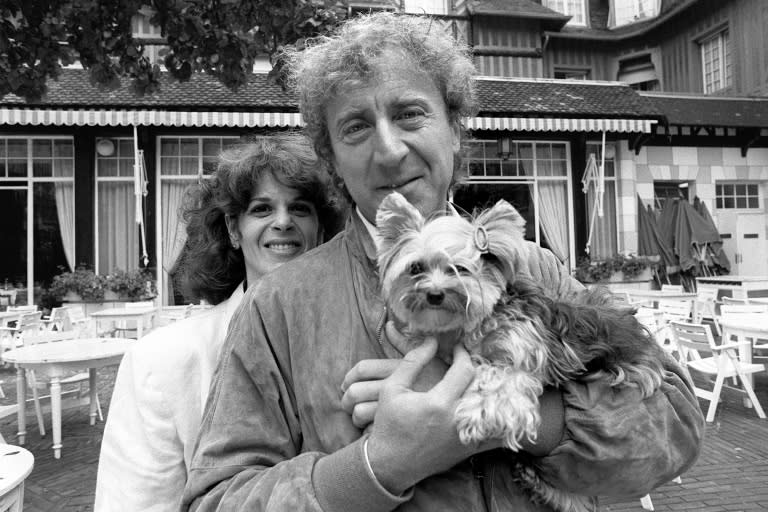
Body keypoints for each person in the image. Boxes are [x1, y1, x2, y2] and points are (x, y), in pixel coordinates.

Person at [182, 12, 704, 512]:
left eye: (410, 113)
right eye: (356, 127)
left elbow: (675, 430)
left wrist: (512, 420)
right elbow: (217, 498)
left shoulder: (535, 267)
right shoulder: (281, 305)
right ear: (332, 161)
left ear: (455, 127)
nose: (388, 150)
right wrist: (378, 465)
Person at [94, 133, 342, 512]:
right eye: (261, 209)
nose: (282, 222)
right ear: (232, 229)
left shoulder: (350, 341)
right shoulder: (159, 363)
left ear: (321, 230)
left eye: (301, 208)